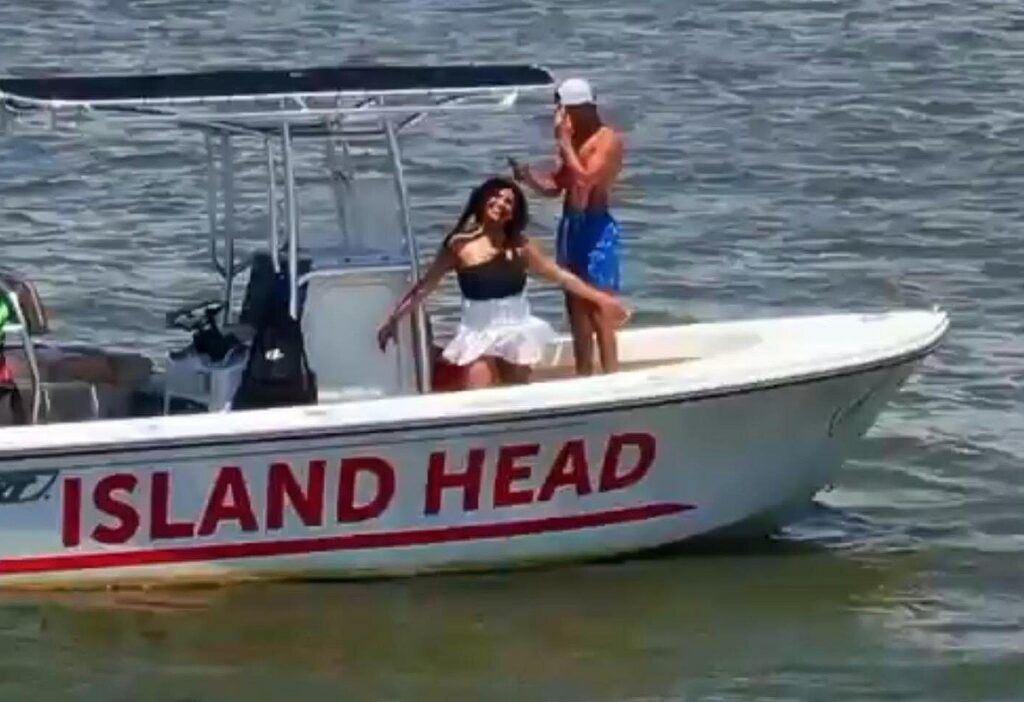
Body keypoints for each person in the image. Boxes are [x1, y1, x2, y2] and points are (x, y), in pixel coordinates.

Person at [376, 176, 629, 389]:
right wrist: (394, 319)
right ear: (482, 200)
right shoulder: (459, 245)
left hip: (516, 328)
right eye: (495, 197)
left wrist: (603, 300)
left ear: (513, 214)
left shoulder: (520, 246)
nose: (500, 203)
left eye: (508, 201)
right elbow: (425, 286)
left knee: (517, 394)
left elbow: (560, 276)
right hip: (478, 332)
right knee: (479, 385)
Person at [511, 77, 625, 376]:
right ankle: (584, 372)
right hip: (570, 225)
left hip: (595, 226)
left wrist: (564, 143)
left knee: (598, 304)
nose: (560, 117)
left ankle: (611, 373)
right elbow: (558, 186)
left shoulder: (606, 140)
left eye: (564, 110)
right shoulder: (573, 141)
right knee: (575, 302)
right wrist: (528, 177)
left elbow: (586, 178)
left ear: (581, 108)